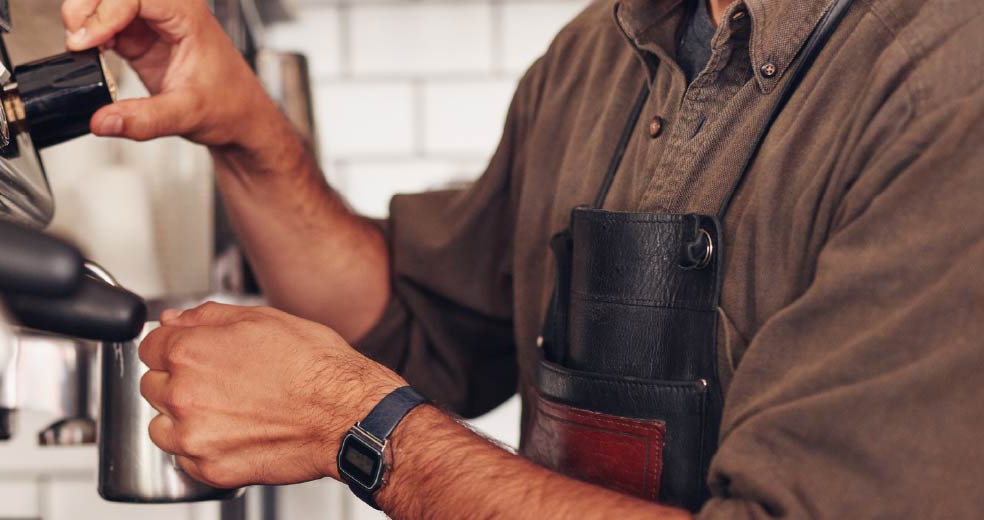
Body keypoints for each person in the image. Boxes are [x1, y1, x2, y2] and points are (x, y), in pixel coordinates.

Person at [59, 0, 984, 516]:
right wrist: (248, 134)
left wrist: (359, 427)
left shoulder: (948, 79)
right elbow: (411, 328)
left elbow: (372, 393)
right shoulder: (600, 54)